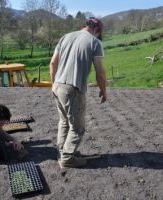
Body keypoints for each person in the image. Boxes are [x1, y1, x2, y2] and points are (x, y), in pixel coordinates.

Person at [50, 17, 107, 168]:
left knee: (64, 122)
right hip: (73, 89)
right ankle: (67, 158)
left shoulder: (65, 37)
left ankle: (63, 151)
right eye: (98, 34)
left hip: (57, 86)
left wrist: (53, 84)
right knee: (78, 127)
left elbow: (53, 62)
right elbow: (100, 72)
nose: (97, 37)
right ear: (97, 30)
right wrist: (103, 90)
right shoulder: (95, 42)